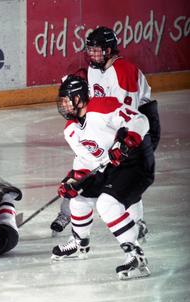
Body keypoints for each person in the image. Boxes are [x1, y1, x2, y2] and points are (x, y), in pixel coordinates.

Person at [50, 26, 160, 237]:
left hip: (138, 124)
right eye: (89, 49)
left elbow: (130, 115)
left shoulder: (124, 71)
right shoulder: (93, 70)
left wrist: (120, 142)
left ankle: (137, 224)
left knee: (125, 173)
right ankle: (69, 212)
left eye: (96, 50)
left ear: (109, 50)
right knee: (85, 160)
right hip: (108, 125)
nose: (91, 54)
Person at [51, 75, 155, 280]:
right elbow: (87, 161)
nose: (63, 105)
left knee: (107, 204)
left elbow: (140, 119)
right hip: (108, 165)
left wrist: (129, 140)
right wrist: (72, 181)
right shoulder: (71, 130)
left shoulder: (102, 107)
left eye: (67, 99)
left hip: (135, 161)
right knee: (78, 197)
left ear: (79, 98)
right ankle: (81, 244)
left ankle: (135, 254)